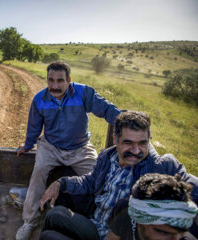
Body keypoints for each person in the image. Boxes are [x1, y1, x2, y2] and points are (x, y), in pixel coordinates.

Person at [39, 110, 198, 240]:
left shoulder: (161, 165)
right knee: (54, 214)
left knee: (48, 236)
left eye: (142, 143)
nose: (136, 151)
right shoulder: (108, 156)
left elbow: (192, 188)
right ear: (116, 139)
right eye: (128, 143)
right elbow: (91, 181)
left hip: (119, 233)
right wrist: (61, 183)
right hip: (97, 223)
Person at [15, 60, 121, 240]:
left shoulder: (84, 93)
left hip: (80, 148)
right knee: (38, 171)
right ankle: (30, 221)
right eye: (51, 80)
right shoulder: (40, 99)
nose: (54, 86)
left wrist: (127, 122)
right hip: (51, 146)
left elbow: (106, 109)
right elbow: (34, 126)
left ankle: (96, 217)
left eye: (60, 81)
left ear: (69, 80)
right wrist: (27, 145)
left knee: (100, 178)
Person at [107, 173, 198, 240]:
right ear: (140, 219)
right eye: (164, 232)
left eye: (181, 232)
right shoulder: (124, 210)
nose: (176, 239)